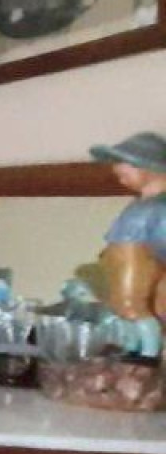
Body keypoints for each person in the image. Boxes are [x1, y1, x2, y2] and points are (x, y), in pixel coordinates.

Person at [89, 131, 166, 358]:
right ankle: (134, 348)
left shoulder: (157, 207)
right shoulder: (141, 205)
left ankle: (148, 354)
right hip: (128, 258)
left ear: (149, 167)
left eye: (125, 164)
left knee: (131, 305)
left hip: (141, 258)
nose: (117, 169)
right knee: (123, 305)